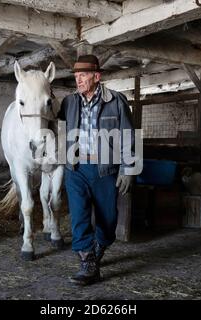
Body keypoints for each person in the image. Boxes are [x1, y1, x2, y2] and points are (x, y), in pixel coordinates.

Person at [58, 55, 136, 286]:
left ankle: (100, 247)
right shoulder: (69, 102)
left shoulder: (117, 101)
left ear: (97, 76)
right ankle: (88, 263)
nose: (78, 80)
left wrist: (129, 169)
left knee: (108, 221)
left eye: (82, 75)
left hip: (105, 169)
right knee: (79, 217)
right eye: (76, 76)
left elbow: (128, 136)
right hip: (76, 168)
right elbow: (54, 123)